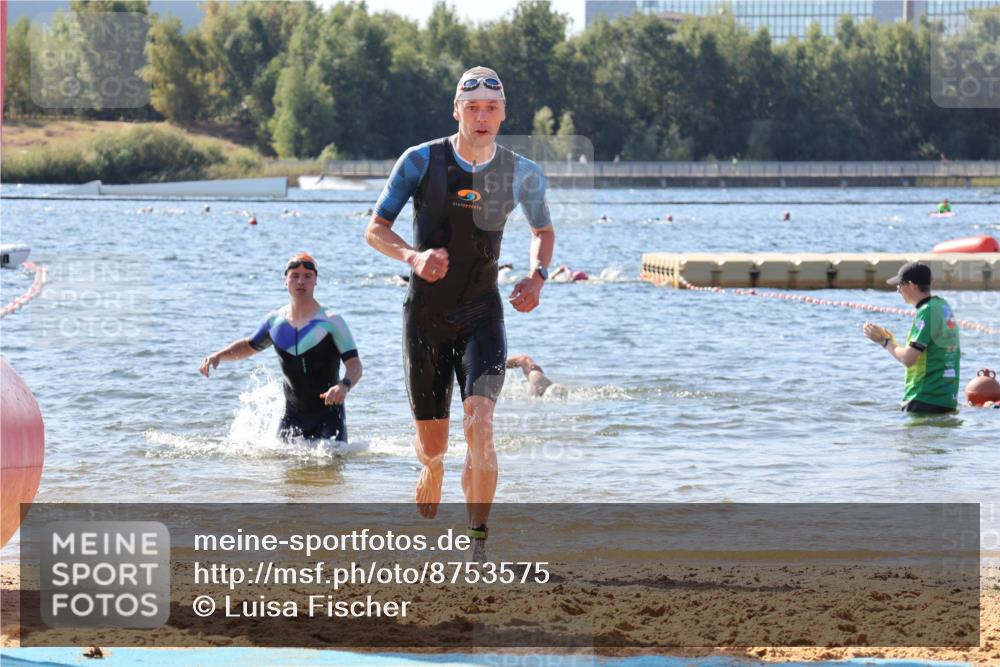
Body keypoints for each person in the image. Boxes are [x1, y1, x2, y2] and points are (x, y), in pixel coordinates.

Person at [364, 66, 555, 556]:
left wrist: (536, 276)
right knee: (433, 445)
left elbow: (542, 231)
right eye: (472, 108)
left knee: (480, 424)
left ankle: (477, 541)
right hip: (425, 317)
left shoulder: (523, 173)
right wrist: (413, 257)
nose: (482, 117)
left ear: (504, 113)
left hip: (482, 314)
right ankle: (432, 467)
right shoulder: (419, 161)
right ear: (457, 111)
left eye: (491, 108)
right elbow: (375, 229)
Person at [200, 253, 362, 441]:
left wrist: (344, 385)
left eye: (307, 276)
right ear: (286, 280)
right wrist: (219, 355)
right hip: (291, 418)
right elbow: (249, 346)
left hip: (329, 417)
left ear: (315, 280)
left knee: (333, 460)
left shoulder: (331, 321)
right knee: (279, 460)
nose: (301, 281)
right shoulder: (274, 322)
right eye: (295, 276)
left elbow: (355, 366)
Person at [863, 261, 960, 414]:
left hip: (923, 399)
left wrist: (885, 342)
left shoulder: (927, 311)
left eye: (900, 285)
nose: (897, 290)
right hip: (946, 400)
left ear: (912, 285)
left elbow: (909, 359)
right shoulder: (943, 306)